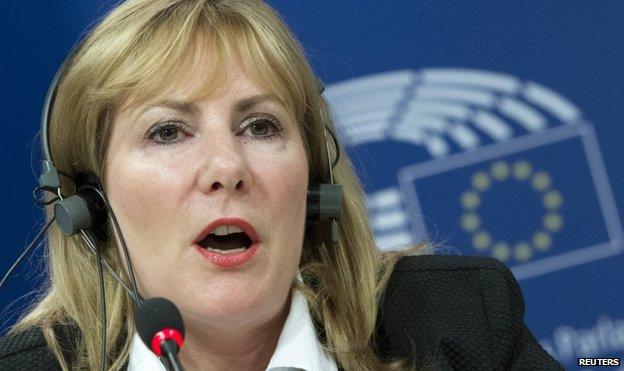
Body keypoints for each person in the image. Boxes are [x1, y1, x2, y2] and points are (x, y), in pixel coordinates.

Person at [0, 1, 563, 370]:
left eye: (261, 126)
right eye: (168, 132)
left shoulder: (457, 323)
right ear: (89, 202)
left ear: (315, 179)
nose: (227, 166)